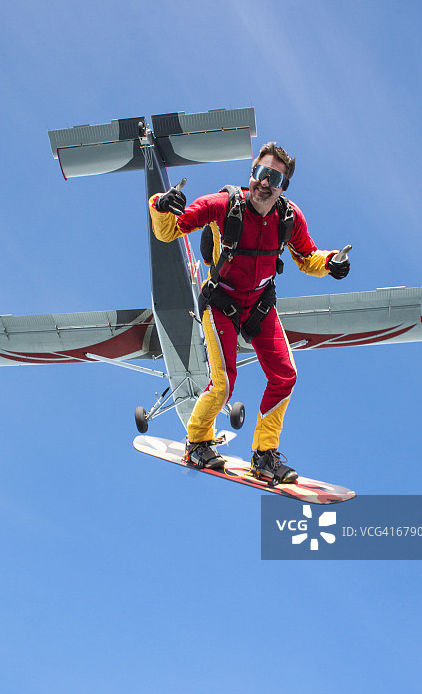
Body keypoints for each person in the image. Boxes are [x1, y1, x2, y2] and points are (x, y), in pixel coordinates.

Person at [149, 142, 349, 484]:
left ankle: (264, 456)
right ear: (252, 174)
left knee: (284, 376)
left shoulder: (289, 217)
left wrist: (330, 263)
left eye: (275, 178)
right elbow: (168, 232)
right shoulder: (223, 205)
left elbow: (307, 257)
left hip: (258, 306)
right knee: (222, 384)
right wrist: (161, 206)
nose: (265, 183)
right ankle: (197, 442)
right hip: (222, 303)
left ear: (283, 186)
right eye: (261, 173)